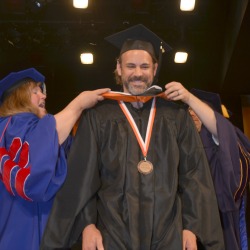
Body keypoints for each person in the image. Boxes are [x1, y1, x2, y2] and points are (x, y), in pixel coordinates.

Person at [41, 24, 225, 250]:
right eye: (130, 66)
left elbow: (194, 176)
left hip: (169, 234)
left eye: (144, 66)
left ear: (155, 68)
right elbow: (83, 177)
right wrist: (87, 225)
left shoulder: (175, 116)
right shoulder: (99, 117)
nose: (138, 73)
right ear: (118, 68)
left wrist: (193, 226)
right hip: (113, 232)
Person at [0, 68, 109, 250]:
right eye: (35, 92)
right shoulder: (10, 126)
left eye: (42, 91)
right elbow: (37, 148)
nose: (43, 96)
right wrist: (78, 104)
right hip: (18, 228)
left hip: (45, 229)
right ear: (18, 97)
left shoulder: (38, 127)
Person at [164, 81, 250, 250]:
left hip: (216, 218)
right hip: (180, 221)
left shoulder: (214, 140)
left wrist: (188, 98)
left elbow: (223, 133)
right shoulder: (176, 142)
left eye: (198, 110)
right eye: (189, 111)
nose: (193, 113)